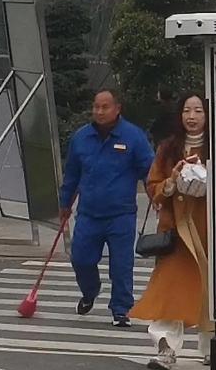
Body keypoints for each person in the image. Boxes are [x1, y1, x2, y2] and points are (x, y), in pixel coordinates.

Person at [60, 89, 155, 328]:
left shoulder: (133, 137)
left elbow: (149, 171)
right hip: (89, 214)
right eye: (96, 107)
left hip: (121, 215)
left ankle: (121, 309)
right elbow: (71, 174)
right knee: (80, 259)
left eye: (105, 107)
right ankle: (90, 291)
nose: (99, 112)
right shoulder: (81, 138)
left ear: (117, 108)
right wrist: (64, 204)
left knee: (122, 265)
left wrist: (157, 194)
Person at [131, 94, 210, 370]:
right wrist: (172, 182)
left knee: (209, 288)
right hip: (176, 231)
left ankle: (212, 346)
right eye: (187, 110)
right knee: (168, 289)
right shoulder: (168, 148)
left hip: (207, 230)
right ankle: (165, 348)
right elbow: (153, 187)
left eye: (198, 110)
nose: (192, 116)